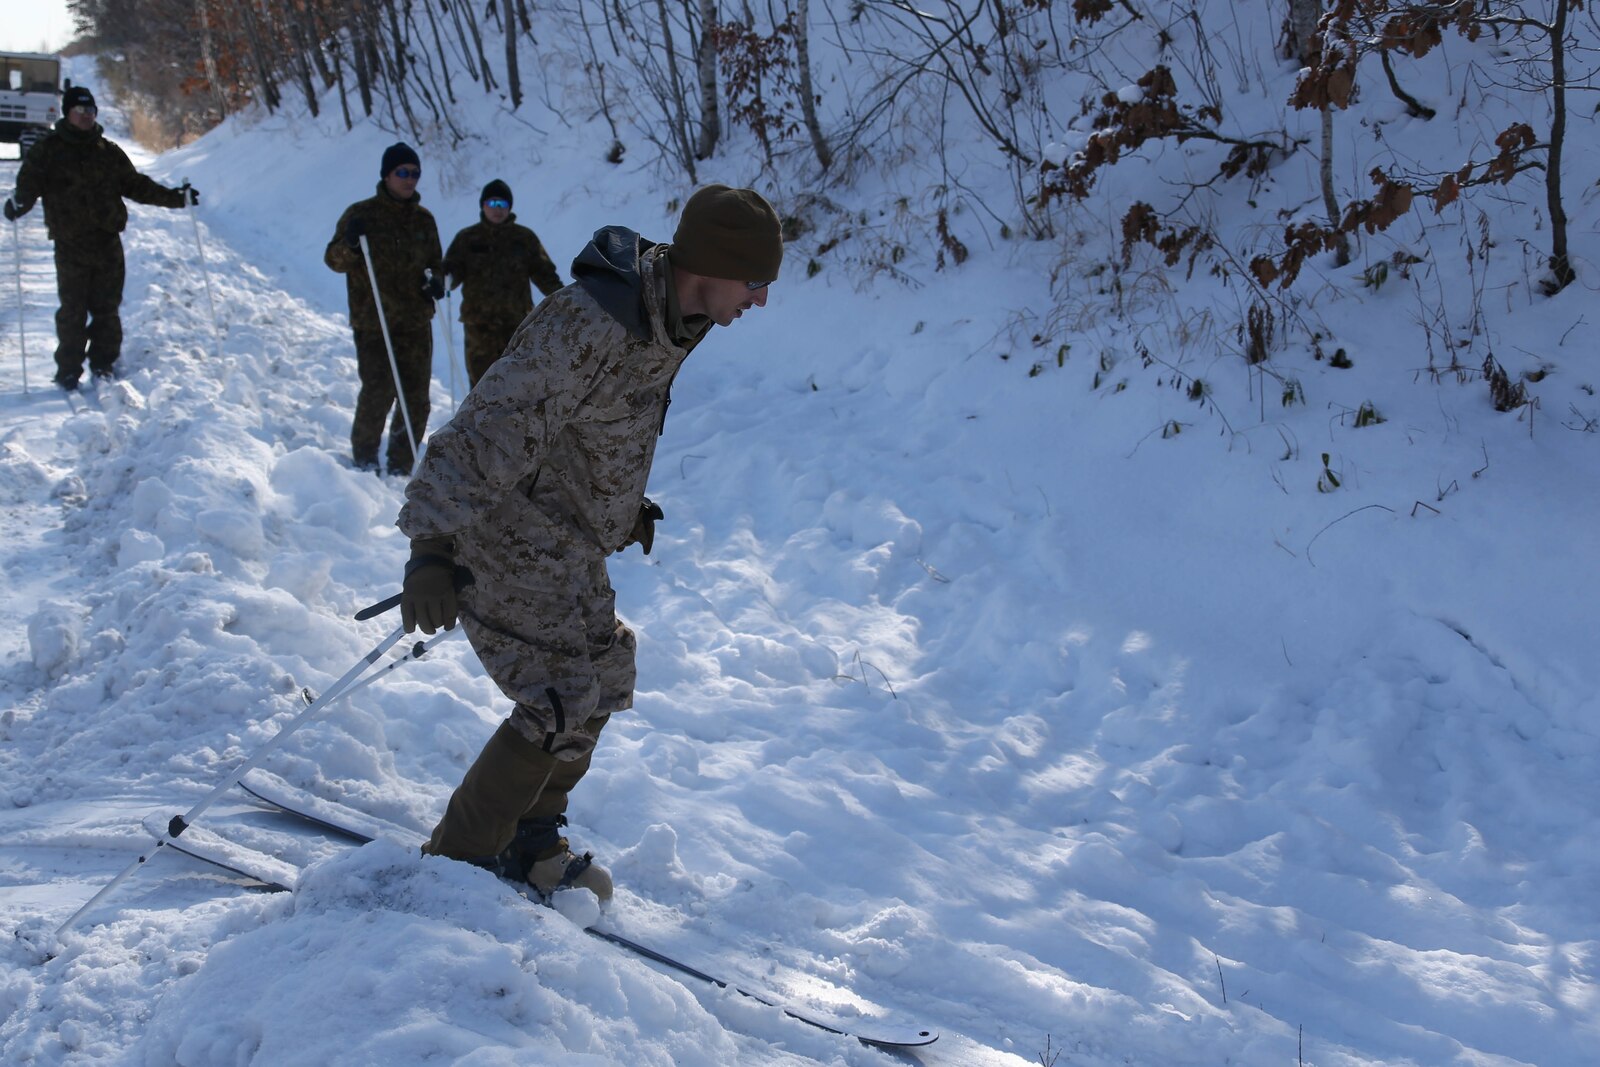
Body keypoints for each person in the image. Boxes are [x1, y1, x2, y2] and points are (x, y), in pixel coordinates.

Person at [395, 184, 783, 901]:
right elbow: (491, 421)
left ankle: (526, 839)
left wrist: (618, 506)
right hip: (505, 530)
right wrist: (431, 544)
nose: (761, 302)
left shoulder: (670, 318)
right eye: (756, 282)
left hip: (564, 538)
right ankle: (452, 870)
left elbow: (597, 424)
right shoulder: (592, 324)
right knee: (557, 695)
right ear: (715, 265)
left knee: (605, 674)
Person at [4, 86, 198, 391]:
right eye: (80, 111)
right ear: (67, 113)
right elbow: (28, 185)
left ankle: (103, 364)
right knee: (73, 310)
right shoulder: (48, 150)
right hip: (70, 245)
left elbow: (136, 185)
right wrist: (18, 204)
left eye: (91, 111)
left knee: (107, 309)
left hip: (107, 242)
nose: (86, 117)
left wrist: (177, 198)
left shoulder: (107, 152)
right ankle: (68, 370)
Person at [323, 143, 444, 475]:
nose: (409, 180)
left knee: (416, 398)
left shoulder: (424, 219)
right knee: (378, 391)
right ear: (387, 175)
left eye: (415, 173)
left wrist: (436, 282)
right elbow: (334, 260)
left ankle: (401, 463)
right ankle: (364, 459)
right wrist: (349, 243)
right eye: (403, 173)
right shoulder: (361, 215)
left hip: (416, 321)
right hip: (374, 321)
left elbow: (436, 263)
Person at [442, 179, 564, 387]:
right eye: (492, 203)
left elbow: (545, 274)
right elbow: (451, 272)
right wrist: (443, 279)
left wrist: (563, 299)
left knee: (518, 386)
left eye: (503, 205)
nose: (497, 210)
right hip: (479, 330)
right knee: (481, 388)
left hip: (517, 327)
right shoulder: (467, 239)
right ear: (483, 206)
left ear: (509, 207)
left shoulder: (524, 238)